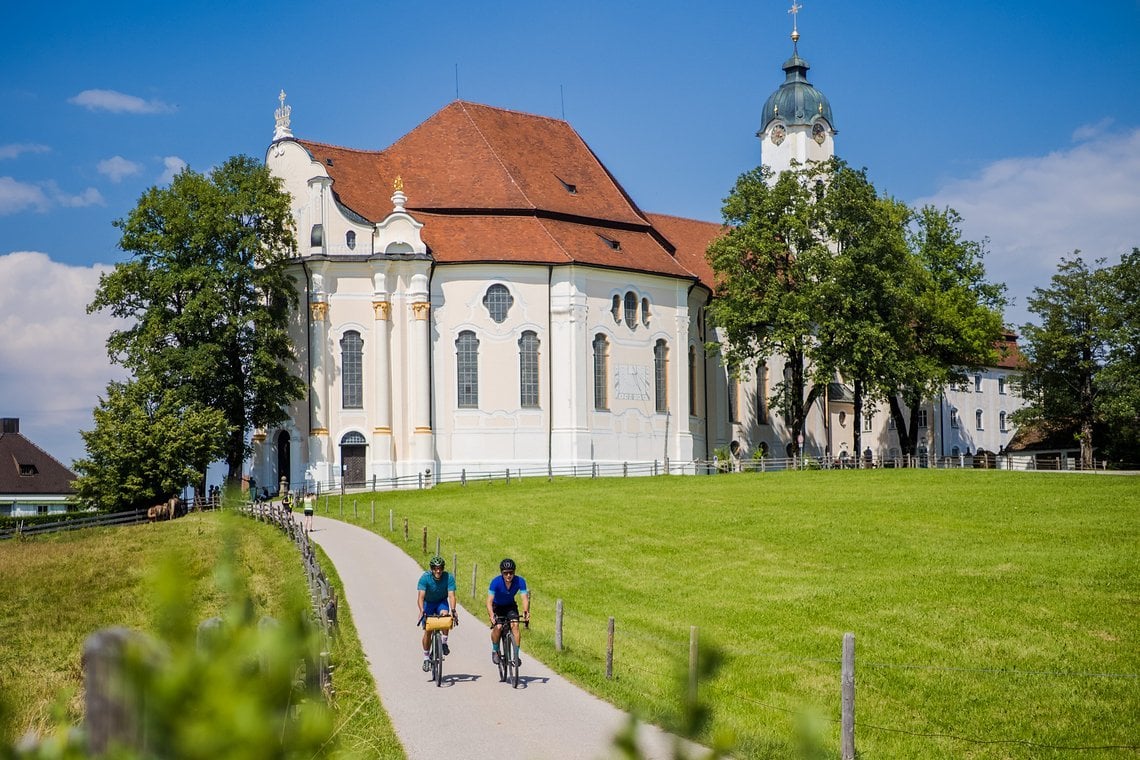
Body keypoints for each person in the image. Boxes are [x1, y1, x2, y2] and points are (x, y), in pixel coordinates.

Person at [417, 555, 457, 671]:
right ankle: (426, 658)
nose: (438, 571)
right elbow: (420, 597)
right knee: (428, 630)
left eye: (440, 568)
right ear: (431, 569)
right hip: (428, 604)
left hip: (441, 602)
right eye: (435, 568)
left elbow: (451, 595)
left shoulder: (448, 577)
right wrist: (422, 611)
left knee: (445, 616)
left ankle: (444, 642)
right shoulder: (425, 578)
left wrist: (453, 610)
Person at [486, 557, 529, 665]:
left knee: (515, 625)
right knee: (499, 627)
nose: (509, 575)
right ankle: (495, 650)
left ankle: (516, 655)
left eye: (511, 573)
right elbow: (489, 601)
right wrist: (491, 615)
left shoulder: (520, 581)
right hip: (497, 606)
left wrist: (526, 611)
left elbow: (524, 597)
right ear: (502, 573)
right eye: (506, 573)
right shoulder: (495, 582)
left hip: (510, 606)